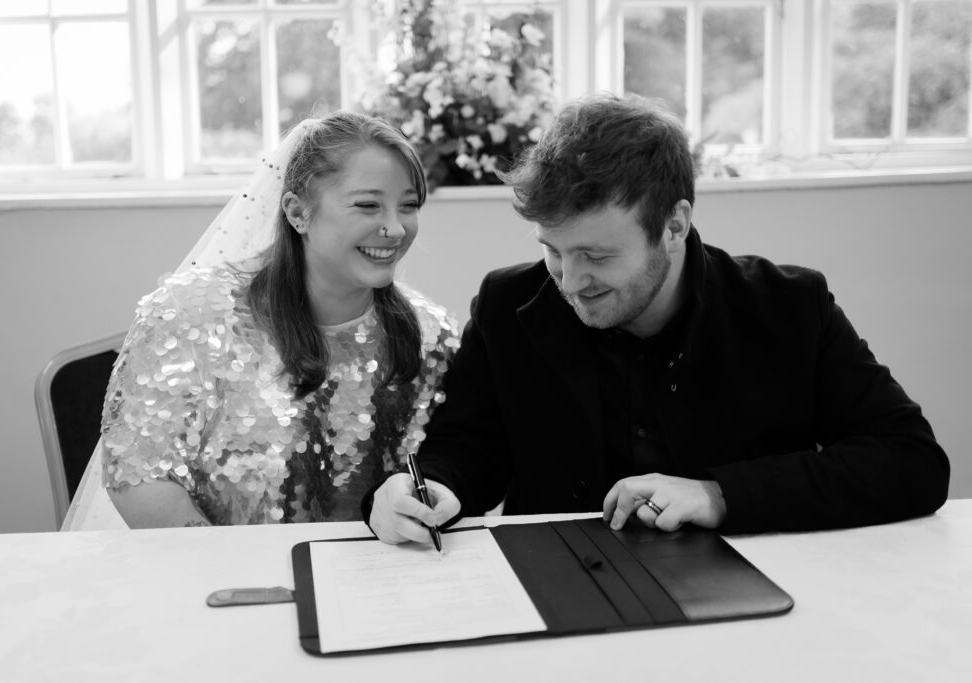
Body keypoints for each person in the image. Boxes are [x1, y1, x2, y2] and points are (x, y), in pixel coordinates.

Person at [367, 93, 949, 543]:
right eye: (552, 250)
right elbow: (470, 449)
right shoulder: (507, 305)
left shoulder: (789, 306)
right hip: (562, 596)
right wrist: (429, 488)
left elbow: (911, 461)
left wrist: (719, 495)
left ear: (673, 226)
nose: (568, 282)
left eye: (596, 256)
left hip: (755, 604)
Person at [101, 112, 459, 527]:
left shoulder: (433, 336)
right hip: (221, 580)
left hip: (377, 579)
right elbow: (139, 474)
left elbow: (447, 465)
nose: (395, 229)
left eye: (409, 206)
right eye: (368, 205)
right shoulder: (193, 315)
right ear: (297, 212)